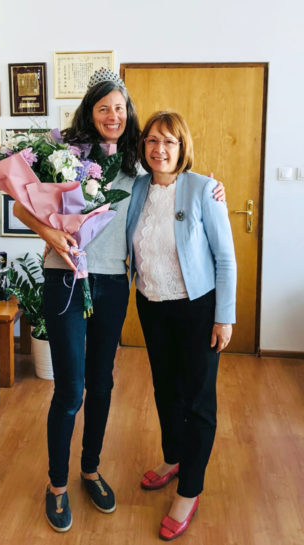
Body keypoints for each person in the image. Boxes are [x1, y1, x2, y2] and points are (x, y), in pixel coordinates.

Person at [13, 70, 225, 533]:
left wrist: (209, 188)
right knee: (70, 390)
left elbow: (175, 181)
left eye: (120, 107)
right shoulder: (66, 153)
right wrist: (51, 233)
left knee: (103, 384)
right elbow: (20, 204)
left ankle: (90, 469)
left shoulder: (135, 163)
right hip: (64, 278)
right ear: (91, 112)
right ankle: (57, 486)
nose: (114, 115)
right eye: (104, 107)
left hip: (112, 284)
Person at [126, 111, 237, 541]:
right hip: (152, 304)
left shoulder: (204, 189)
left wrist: (224, 316)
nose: (160, 149)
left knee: (197, 401)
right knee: (164, 389)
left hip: (197, 308)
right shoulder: (136, 189)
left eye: (169, 141)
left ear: (182, 147)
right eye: (153, 140)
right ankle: (173, 457)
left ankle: (189, 489)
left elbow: (225, 258)